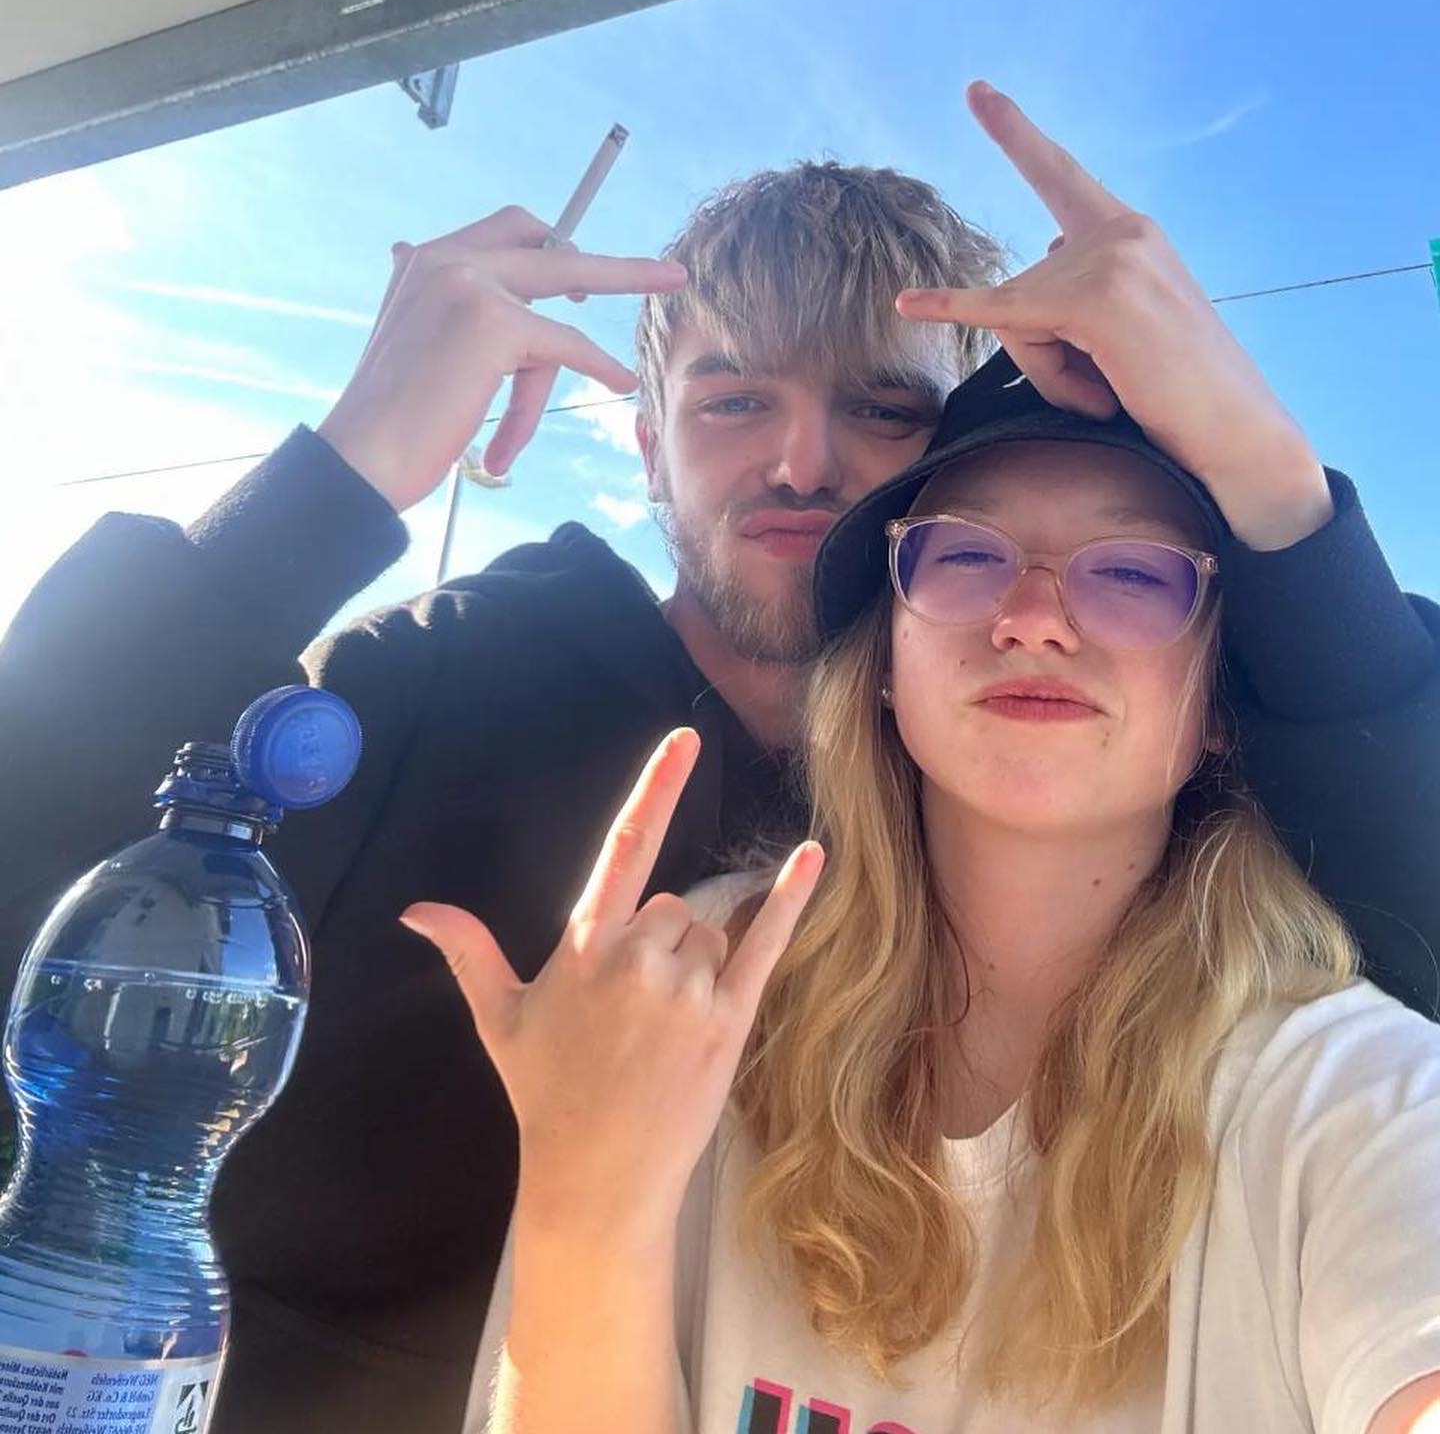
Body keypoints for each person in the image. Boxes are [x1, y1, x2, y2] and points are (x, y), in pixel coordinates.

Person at [0, 86, 1435, 1434]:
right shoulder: (437, 676)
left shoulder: (1023, 794)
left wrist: (1279, 493)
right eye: (735, 400)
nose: (802, 464)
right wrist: (340, 473)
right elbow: (43, 894)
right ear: (646, 446)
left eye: (882, 408)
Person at [446, 341, 1440, 1433]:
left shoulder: (1354, 1096)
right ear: (884, 660)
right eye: (966, 556)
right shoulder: (687, 990)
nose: (1034, 617)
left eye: (1132, 574)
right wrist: (583, 1204)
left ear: (1214, 707)